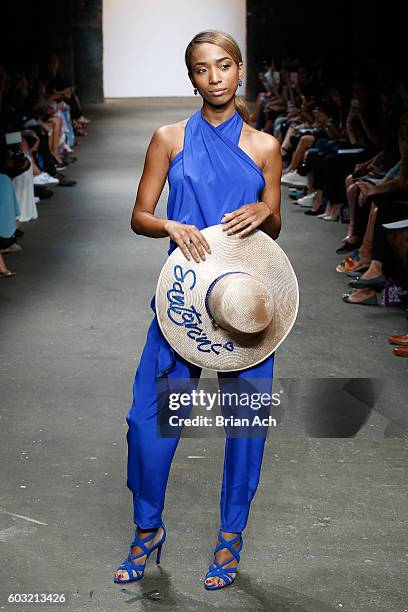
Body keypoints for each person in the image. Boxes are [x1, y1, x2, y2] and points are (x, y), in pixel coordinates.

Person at [113, 30, 282, 590]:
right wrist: (169, 224)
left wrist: (262, 207)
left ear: (239, 71)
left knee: (246, 424)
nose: (215, 77)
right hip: (183, 296)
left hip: (245, 299)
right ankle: (147, 530)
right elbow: (140, 215)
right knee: (148, 420)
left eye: (224, 66)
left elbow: (274, 224)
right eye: (202, 69)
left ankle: (230, 541)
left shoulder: (263, 146)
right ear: (191, 78)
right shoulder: (169, 138)